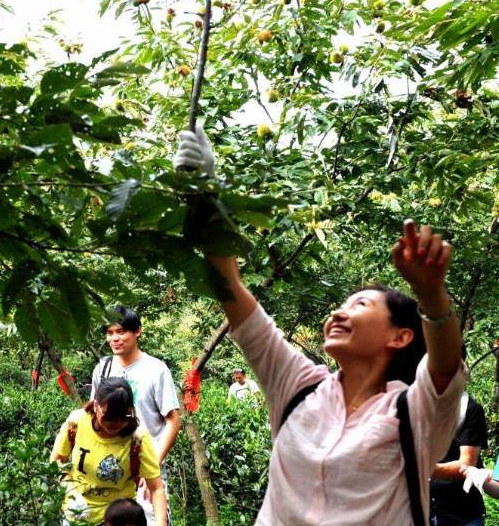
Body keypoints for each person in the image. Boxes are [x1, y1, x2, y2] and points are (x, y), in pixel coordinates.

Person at [174, 126, 466, 525]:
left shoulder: (412, 413)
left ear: (400, 336)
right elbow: (231, 289)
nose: (337, 314)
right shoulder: (298, 386)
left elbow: (444, 368)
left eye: (360, 304)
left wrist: (431, 295)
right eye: (339, 306)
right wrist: (206, 195)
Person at [90, 306, 180, 526]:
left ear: (138, 331)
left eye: (121, 332)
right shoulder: (102, 369)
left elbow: (173, 421)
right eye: (110, 333)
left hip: (147, 464)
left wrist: (153, 465)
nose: (114, 338)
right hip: (110, 467)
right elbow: (93, 415)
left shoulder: (156, 369)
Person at [51, 377, 167, 526]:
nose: (116, 423)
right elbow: (56, 462)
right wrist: (68, 489)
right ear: (96, 405)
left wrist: (161, 523)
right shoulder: (77, 423)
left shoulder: (137, 437)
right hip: (77, 512)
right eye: (110, 417)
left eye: (124, 417)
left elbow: (156, 489)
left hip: (119, 517)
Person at [430, 392, 487, 526]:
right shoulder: (413, 405)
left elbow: (467, 464)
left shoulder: (468, 408)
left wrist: (420, 468)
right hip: (426, 510)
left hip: (461, 513)